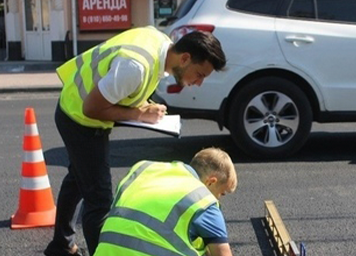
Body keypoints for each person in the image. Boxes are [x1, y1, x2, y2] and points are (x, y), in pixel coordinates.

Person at [44, 26, 227, 256]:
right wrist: (138, 114)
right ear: (185, 58)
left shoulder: (159, 42)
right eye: (199, 75)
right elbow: (91, 108)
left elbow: (121, 90)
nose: (198, 83)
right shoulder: (135, 67)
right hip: (79, 119)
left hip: (74, 106)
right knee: (99, 200)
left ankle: (61, 245)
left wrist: (144, 105)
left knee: (79, 178)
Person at [94, 147, 238, 256]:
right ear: (211, 182)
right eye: (222, 193)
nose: (218, 199)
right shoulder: (204, 200)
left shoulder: (144, 169)